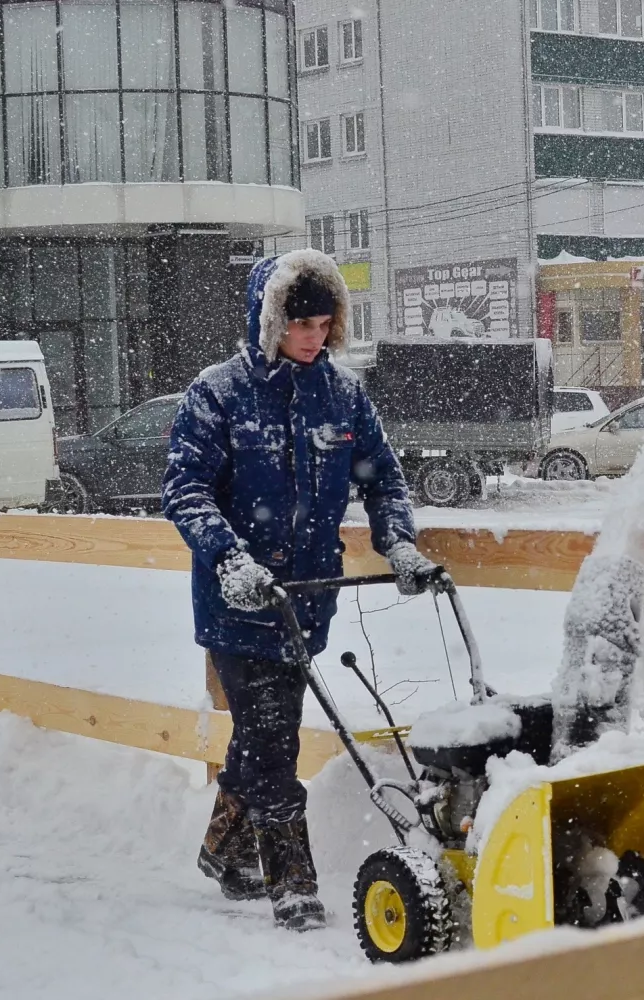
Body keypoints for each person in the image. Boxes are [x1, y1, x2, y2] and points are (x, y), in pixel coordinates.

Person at [162, 248, 442, 931]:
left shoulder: (343, 396)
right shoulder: (220, 393)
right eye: (299, 325)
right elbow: (185, 489)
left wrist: (397, 541)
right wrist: (230, 558)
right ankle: (294, 885)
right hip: (239, 606)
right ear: (269, 322)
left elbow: (384, 479)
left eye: (323, 323)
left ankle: (223, 852)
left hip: (305, 604)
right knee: (273, 742)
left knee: (262, 736)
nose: (313, 337)